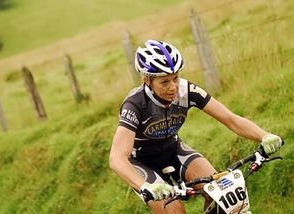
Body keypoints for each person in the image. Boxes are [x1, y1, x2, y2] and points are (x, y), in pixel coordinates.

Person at [109, 39, 283, 213]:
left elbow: (231, 119)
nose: (173, 87)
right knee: (175, 210)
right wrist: (144, 186)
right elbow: (117, 158)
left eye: (175, 78)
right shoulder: (135, 104)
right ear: (147, 80)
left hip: (173, 150)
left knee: (220, 191)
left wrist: (264, 135)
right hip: (141, 162)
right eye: (164, 82)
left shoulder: (187, 91)